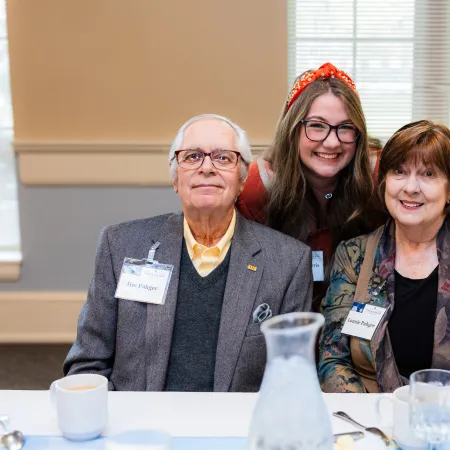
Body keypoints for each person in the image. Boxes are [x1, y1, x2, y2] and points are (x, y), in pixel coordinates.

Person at [64, 114, 313, 392]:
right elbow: (88, 365)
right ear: (175, 178)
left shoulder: (288, 262)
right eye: (193, 157)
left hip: (235, 428)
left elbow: (292, 380)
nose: (206, 167)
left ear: (242, 180)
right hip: (140, 427)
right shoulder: (121, 246)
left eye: (223, 158)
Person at [237, 62, 385, 310]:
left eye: (346, 128)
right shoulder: (256, 188)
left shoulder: (379, 179)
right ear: (292, 129)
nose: (331, 142)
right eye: (317, 125)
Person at [318, 120, 450, 393]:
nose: (411, 187)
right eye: (399, 171)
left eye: (428, 174)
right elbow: (333, 358)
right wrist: (374, 420)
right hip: (371, 423)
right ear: (385, 181)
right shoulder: (354, 256)